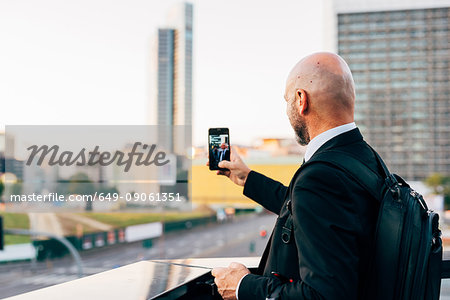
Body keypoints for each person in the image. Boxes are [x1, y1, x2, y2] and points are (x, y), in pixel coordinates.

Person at [211, 52, 384, 299]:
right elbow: (310, 211)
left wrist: (242, 286)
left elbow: (324, 295)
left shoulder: (321, 176)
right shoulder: (364, 157)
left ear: (301, 100)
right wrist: (247, 178)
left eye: (287, 100)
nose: (287, 109)